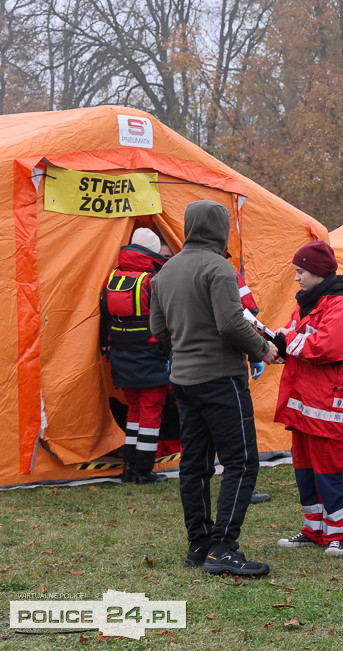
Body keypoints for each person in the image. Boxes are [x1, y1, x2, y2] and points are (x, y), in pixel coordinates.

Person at [150, 200, 279, 577]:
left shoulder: (165, 271)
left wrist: (186, 339)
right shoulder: (219, 268)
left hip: (184, 381)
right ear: (221, 230)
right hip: (221, 379)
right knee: (241, 463)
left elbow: (159, 331)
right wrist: (263, 349)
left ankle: (199, 544)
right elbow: (230, 324)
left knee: (195, 465)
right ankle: (223, 548)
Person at [274, 241, 343, 557]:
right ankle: (313, 528)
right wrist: (276, 342)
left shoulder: (341, 307)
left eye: (301, 272)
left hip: (328, 406)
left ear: (318, 272)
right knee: (305, 470)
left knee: (328, 470)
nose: (297, 279)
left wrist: (287, 340)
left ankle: (339, 533)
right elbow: (295, 334)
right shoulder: (307, 304)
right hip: (303, 405)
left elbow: (324, 347)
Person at [100, 227, 170, 484]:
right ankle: (144, 471)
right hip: (151, 355)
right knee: (151, 412)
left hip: (121, 356)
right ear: (152, 253)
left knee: (134, 410)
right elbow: (165, 321)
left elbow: (105, 317)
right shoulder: (153, 281)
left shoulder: (112, 277)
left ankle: (129, 467)